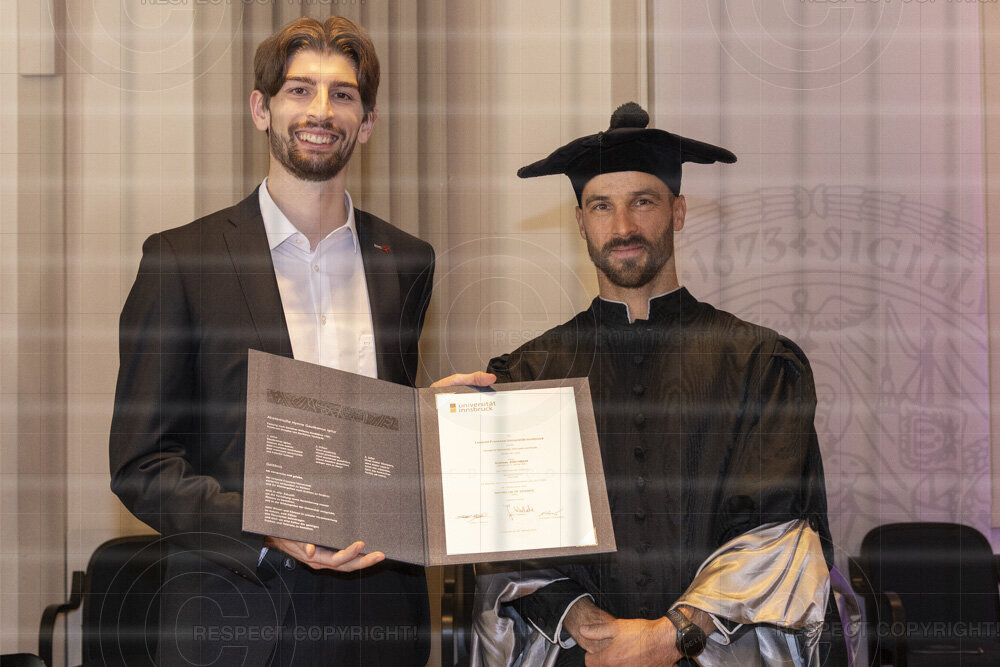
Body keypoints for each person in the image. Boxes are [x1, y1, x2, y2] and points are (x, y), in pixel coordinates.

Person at [438, 103, 842, 666]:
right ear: (580, 221)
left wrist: (664, 639)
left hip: (714, 651)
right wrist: (589, 627)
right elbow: (510, 535)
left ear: (678, 212)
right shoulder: (530, 374)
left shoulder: (761, 365)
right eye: (602, 206)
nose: (623, 227)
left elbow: (776, 533)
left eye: (643, 202)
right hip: (580, 654)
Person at [109, 17, 433, 666]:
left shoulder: (407, 261)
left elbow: (389, 438)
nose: (321, 111)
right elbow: (142, 466)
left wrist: (438, 423)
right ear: (261, 109)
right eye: (299, 90)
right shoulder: (182, 261)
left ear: (368, 121)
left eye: (343, 94)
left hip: (378, 622)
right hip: (235, 620)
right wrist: (268, 524)